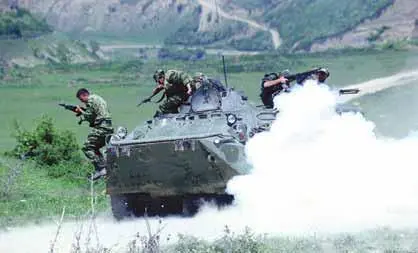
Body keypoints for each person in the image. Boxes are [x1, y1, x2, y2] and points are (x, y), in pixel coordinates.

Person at [74, 88, 114, 181]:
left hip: (102, 127)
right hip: (108, 127)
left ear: (84, 95)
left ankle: (101, 169)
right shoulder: (98, 99)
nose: (83, 102)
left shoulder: (91, 99)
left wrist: (81, 112)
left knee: (87, 147)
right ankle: (104, 167)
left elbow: (89, 116)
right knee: (94, 147)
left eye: (81, 99)